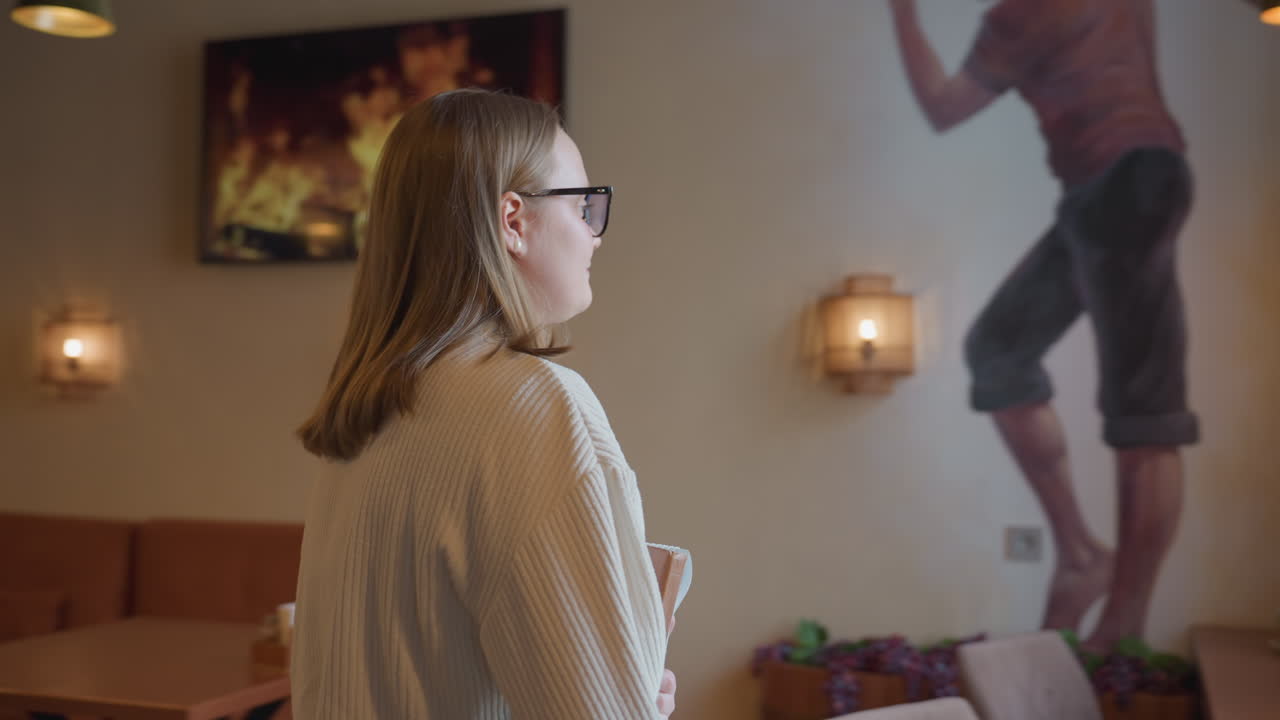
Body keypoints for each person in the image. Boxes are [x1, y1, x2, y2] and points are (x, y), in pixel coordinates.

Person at [292, 89, 677, 718]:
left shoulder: (366, 417)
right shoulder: (536, 406)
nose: (594, 235)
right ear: (513, 221)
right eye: (583, 205)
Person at [888, 0, 1196, 653]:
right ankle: (1082, 555)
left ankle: (1124, 627)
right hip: (1108, 188)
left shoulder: (1022, 14)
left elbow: (944, 107)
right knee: (997, 352)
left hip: (1127, 181)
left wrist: (905, 18)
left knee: (1145, 414)